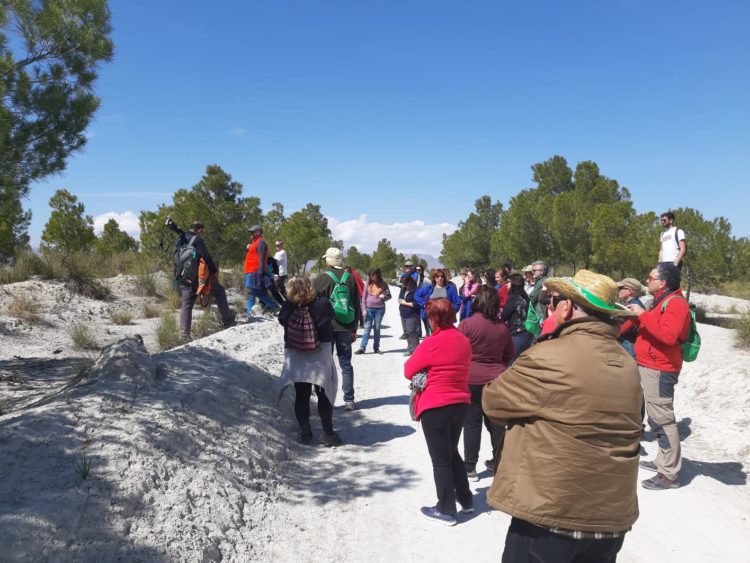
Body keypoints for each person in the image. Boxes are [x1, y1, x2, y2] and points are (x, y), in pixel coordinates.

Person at [482, 270, 642, 562]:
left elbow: (493, 402)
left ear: (566, 308)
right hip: (611, 519)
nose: (550, 307)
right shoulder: (627, 363)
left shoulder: (548, 355)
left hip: (551, 515)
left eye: (553, 301)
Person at [404, 298, 472, 526]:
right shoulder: (463, 339)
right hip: (461, 403)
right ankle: (466, 499)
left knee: (441, 460)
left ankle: (446, 510)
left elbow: (408, 370)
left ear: (432, 318)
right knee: (452, 452)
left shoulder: (431, 343)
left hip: (435, 406)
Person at [626, 263, 691, 490]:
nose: (647, 281)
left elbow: (669, 336)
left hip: (660, 369)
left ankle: (670, 474)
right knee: (656, 418)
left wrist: (644, 315)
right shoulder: (662, 301)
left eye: (650, 277)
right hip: (652, 365)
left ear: (662, 282)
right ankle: (663, 461)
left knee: (662, 419)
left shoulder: (676, 303)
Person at [276, 276, 341, 447]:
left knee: (302, 395)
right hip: (320, 354)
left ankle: (305, 432)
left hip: (296, 355)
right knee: (323, 393)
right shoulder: (323, 304)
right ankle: (328, 434)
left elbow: (282, 320)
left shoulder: (288, 307)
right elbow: (330, 317)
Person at [458, 287, 514, 481]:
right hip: (496, 380)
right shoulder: (502, 328)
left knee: (471, 424)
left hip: (471, 379)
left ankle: (470, 467)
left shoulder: (466, 325)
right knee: (497, 424)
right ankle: (499, 463)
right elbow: (509, 354)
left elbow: (457, 352)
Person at [313, 247, 361, 411]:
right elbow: (356, 304)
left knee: (325, 363)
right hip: (346, 326)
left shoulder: (322, 279)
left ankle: (326, 399)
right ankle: (349, 400)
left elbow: (312, 301)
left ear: (329, 261)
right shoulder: (350, 278)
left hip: (326, 327)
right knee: (346, 364)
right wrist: (355, 327)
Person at [178, 221, 235, 342]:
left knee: (187, 304)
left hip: (183, 277)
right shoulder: (197, 240)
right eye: (202, 231)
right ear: (199, 230)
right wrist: (214, 271)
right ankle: (227, 321)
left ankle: (184, 334)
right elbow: (206, 257)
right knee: (219, 291)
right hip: (199, 279)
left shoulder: (179, 240)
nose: (202, 233)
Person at [244, 225, 279, 318]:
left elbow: (262, 258)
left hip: (254, 272)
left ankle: (249, 315)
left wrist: (260, 272)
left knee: (250, 292)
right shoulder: (255, 242)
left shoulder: (261, 242)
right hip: (251, 272)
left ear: (258, 232)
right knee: (258, 293)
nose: (250, 234)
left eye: (252, 232)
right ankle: (274, 307)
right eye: (250, 232)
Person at [414, 269, 461, 337]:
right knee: (433, 336)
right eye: (437, 276)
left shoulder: (449, 289)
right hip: (431, 318)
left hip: (445, 318)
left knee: (445, 336)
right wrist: (424, 304)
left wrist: (451, 311)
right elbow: (416, 295)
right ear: (434, 278)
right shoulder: (429, 288)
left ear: (444, 278)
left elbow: (457, 303)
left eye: (442, 276)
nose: (440, 278)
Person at [355, 267, 391, 354]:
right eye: (370, 275)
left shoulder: (384, 284)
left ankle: (376, 348)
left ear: (378, 275)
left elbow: (389, 296)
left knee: (377, 328)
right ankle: (362, 348)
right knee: (367, 328)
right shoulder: (368, 284)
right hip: (369, 309)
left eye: (373, 275)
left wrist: (384, 297)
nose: (371, 277)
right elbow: (363, 298)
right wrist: (364, 309)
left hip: (380, 310)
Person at [500, 273, 532, 363]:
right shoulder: (525, 296)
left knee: (510, 363)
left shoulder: (513, 297)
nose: (507, 284)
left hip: (516, 334)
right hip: (527, 333)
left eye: (509, 282)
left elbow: (504, 316)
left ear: (514, 283)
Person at [616, 278, 646, 358]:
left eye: (620, 288)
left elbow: (623, 329)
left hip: (628, 344)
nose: (618, 290)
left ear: (629, 291)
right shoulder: (634, 304)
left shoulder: (634, 307)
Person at [398, 276, 421, 356]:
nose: (404, 286)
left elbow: (416, 304)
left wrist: (404, 303)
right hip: (403, 313)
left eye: (406, 284)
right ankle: (410, 350)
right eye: (403, 284)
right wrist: (400, 300)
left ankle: (416, 351)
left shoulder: (416, 291)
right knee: (407, 332)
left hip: (412, 314)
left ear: (410, 283)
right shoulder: (403, 289)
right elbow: (400, 297)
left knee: (412, 332)